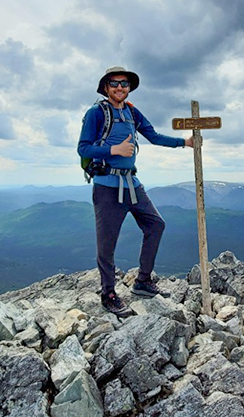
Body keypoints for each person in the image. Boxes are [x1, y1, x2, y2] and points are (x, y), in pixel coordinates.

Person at [78, 66, 195, 316]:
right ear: (106, 87)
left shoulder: (132, 112)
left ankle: (142, 281)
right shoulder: (96, 113)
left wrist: (184, 143)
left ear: (129, 88)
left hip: (132, 184)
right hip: (107, 187)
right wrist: (114, 151)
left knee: (155, 225)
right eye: (114, 83)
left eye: (124, 83)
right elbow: (83, 149)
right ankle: (108, 293)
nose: (120, 87)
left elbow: (153, 136)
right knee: (107, 244)